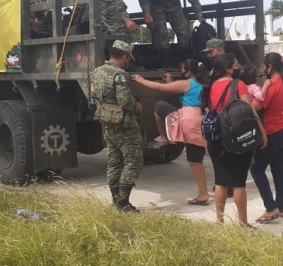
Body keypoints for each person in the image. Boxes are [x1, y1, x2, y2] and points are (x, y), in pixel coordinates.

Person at [130, 59, 210, 205]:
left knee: (159, 105)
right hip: (200, 123)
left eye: (182, 69)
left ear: (189, 72)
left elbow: (160, 89)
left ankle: (164, 136)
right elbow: (174, 89)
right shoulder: (204, 84)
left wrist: (141, 80)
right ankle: (204, 193)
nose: (181, 72)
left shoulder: (187, 84)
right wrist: (170, 82)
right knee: (195, 160)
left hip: (188, 122)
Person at [202, 53, 267, 228]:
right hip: (236, 138)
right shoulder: (238, 85)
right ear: (228, 68)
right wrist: (261, 132)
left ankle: (219, 221)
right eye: (236, 64)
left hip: (216, 138)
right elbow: (249, 111)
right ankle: (243, 223)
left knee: (220, 181)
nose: (238, 67)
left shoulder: (209, 86)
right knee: (239, 182)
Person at [90, 40, 144, 212]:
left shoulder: (97, 72)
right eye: (128, 58)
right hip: (125, 125)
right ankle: (123, 201)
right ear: (125, 56)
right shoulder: (121, 75)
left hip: (107, 123)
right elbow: (125, 101)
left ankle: (115, 200)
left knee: (114, 161)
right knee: (134, 161)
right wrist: (138, 106)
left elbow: (93, 98)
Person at [251, 53, 283, 223]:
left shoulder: (272, 86)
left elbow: (254, 107)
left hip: (271, 133)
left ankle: (271, 208)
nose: (263, 70)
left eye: (264, 66)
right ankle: (282, 207)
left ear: (269, 67)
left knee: (256, 169)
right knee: (278, 169)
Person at [142, 0, 205, 67]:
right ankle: (165, 61)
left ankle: (184, 59)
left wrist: (199, 15)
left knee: (184, 31)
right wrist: (147, 13)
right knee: (161, 34)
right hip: (157, 7)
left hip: (175, 6)